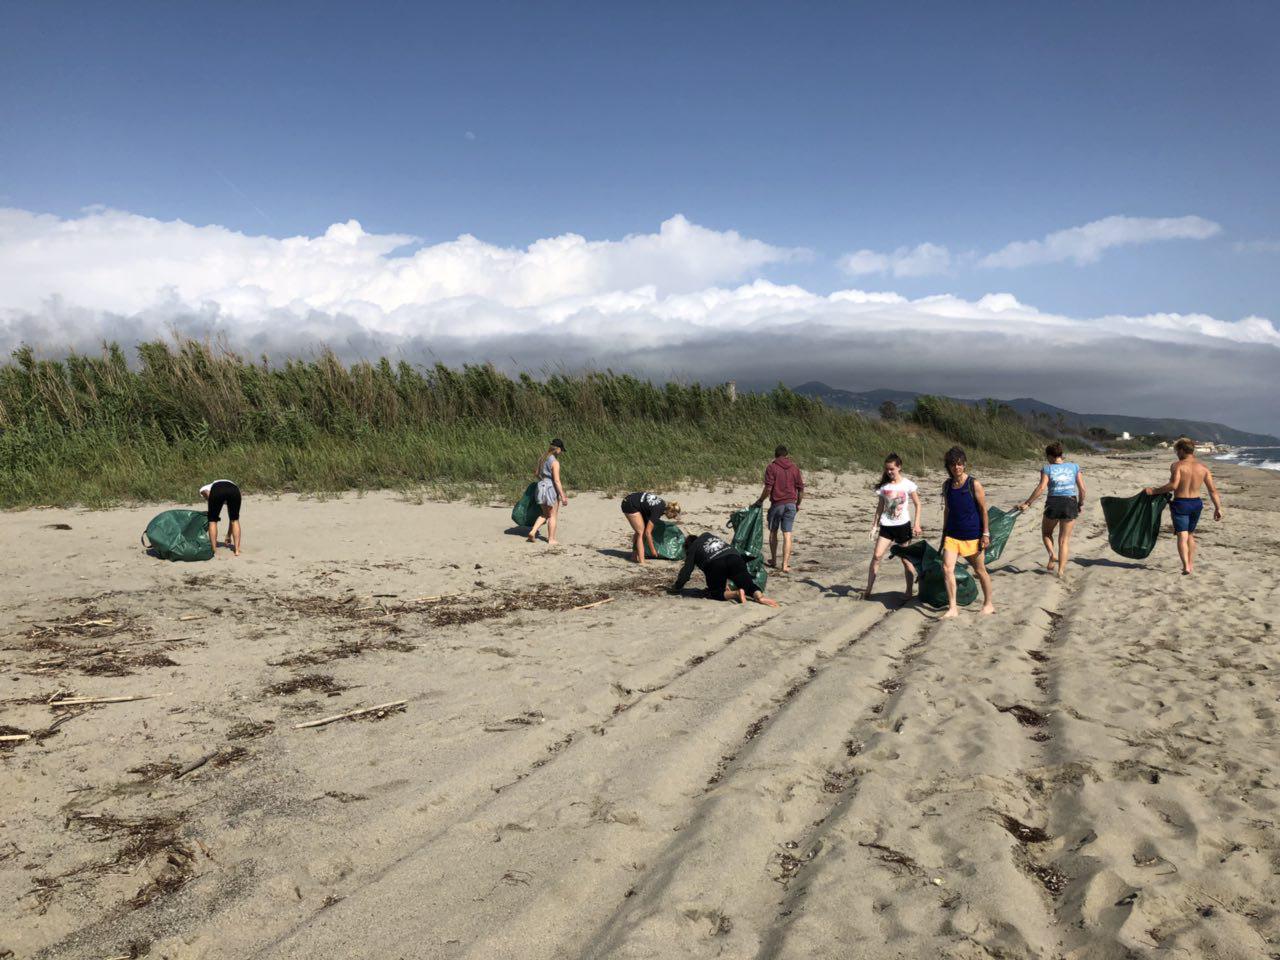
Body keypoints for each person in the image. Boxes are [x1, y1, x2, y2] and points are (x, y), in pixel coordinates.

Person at [1143, 437, 1223, 575]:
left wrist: (1154, 491)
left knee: (1182, 535)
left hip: (1181, 504)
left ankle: (1186, 566)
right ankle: (1190, 564)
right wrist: (1218, 508)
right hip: (1196, 504)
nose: (1176, 454)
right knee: (1190, 535)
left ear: (1181, 450)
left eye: (1176, 451)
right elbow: (1212, 490)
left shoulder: (1177, 465)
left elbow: (1173, 485)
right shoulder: (1203, 468)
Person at [1017, 441, 1087, 578]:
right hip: (1070, 502)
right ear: (1061, 454)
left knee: (1047, 533)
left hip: (1054, 503)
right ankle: (1061, 571)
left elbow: (1042, 488)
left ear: (1049, 456)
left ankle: (1052, 554)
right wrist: (1080, 503)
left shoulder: (1047, 468)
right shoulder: (1074, 467)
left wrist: (1028, 503)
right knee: (1064, 540)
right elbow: (1082, 489)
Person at [939, 446, 995, 617]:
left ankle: (988, 604)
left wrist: (985, 533)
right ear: (948, 466)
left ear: (964, 464)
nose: (957, 467)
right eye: (953, 465)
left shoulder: (973, 484)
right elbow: (947, 510)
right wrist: (944, 533)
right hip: (952, 536)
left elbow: (983, 510)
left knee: (980, 570)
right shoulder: (947, 486)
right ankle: (953, 607)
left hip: (972, 536)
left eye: (960, 464)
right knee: (947, 568)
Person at [864, 453, 922, 601]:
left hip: (903, 526)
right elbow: (880, 507)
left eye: (891, 469)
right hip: (886, 526)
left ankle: (909, 591)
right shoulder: (884, 487)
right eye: (887, 469)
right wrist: (874, 527)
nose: (889, 472)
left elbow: (918, 504)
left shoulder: (907, 484)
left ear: (899, 467)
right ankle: (868, 590)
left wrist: (916, 524)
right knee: (877, 556)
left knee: (905, 560)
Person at [669, 532, 779, 606]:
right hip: (734, 557)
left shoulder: (692, 548)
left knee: (716, 592)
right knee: (748, 584)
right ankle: (759, 597)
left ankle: (736, 594)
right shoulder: (707, 535)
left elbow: (686, 572)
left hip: (715, 564)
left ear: (688, 546)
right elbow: (723, 555)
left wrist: (677, 587)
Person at [753, 445, 804, 573]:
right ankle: (785, 565)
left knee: (773, 532)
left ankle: (774, 560)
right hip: (791, 504)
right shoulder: (794, 468)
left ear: (775, 455)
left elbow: (768, 488)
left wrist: (760, 500)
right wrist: (798, 503)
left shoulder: (772, 467)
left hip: (777, 504)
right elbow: (801, 489)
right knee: (787, 534)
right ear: (787, 455)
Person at [527, 439, 568, 545]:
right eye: (561, 450)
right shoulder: (555, 462)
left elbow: (536, 473)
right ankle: (551, 539)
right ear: (558, 449)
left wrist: (543, 480)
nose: (561, 453)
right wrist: (563, 496)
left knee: (545, 514)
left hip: (541, 486)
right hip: (550, 489)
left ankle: (533, 531)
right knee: (553, 515)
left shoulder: (542, 458)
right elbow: (557, 481)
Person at [621, 492, 682, 564]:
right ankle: (641, 561)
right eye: (674, 516)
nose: (673, 518)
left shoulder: (663, 506)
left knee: (639, 529)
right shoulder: (658, 510)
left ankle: (634, 556)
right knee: (641, 532)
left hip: (635, 501)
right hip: (629, 503)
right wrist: (652, 550)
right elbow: (648, 533)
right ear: (670, 511)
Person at [200, 479, 242, 557]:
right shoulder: (230, 484)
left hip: (218, 490)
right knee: (235, 519)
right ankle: (237, 550)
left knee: (212, 521)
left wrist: (213, 504)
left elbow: (207, 493)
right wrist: (228, 535)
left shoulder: (204, 488)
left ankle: (214, 550)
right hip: (235, 490)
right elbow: (231, 519)